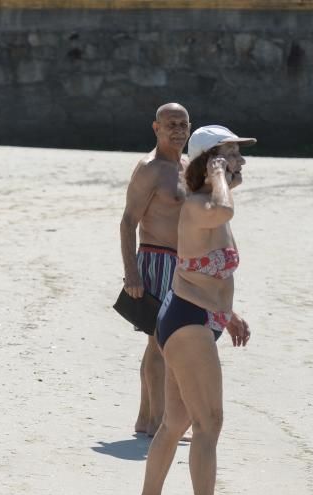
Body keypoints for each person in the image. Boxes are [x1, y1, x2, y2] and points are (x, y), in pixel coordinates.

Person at [132, 125, 254, 495]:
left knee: (177, 421)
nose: (241, 163)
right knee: (209, 423)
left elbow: (198, 267)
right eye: (232, 155)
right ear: (211, 162)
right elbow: (223, 210)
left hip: (197, 316)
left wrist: (228, 312)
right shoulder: (203, 202)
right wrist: (218, 174)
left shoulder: (205, 203)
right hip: (188, 323)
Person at [119, 103, 191, 436]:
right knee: (159, 342)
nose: (178, 129)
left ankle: (147, 419)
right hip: (156, 259)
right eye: (171, 124)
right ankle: (158, 420)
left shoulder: (189, 166)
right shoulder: (149, 168)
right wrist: (131, 273)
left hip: (185, 263)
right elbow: (128, 222)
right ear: (156, 128)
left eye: (183, 124)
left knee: (172, 343)